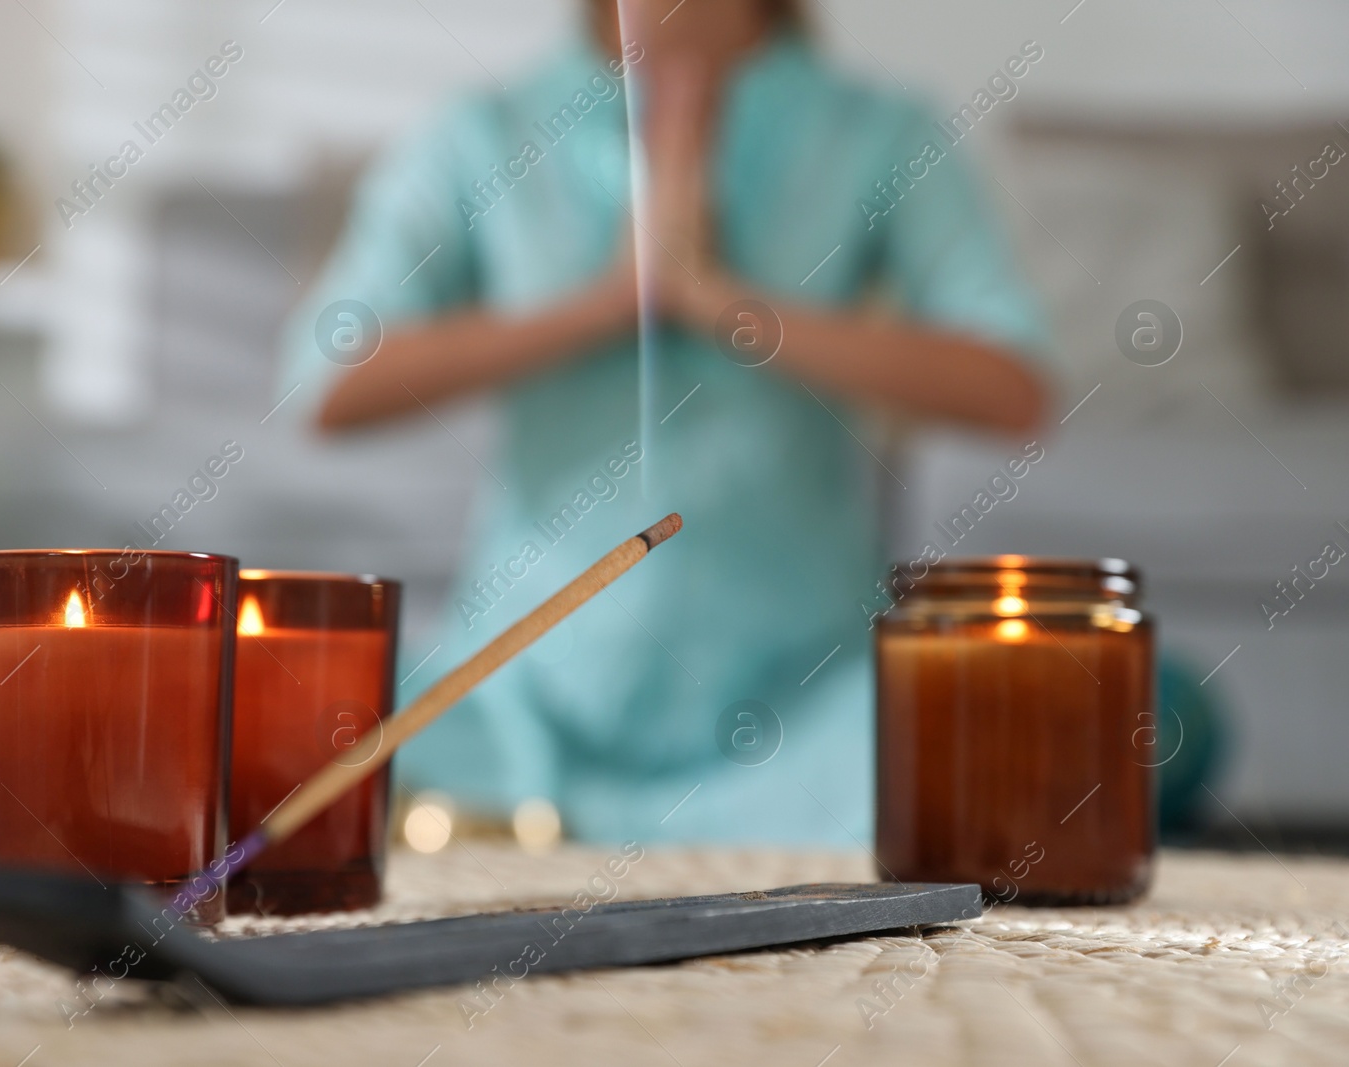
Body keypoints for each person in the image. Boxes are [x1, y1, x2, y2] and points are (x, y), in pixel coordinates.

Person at [282, 0, 1049, 844]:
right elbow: (327, 380)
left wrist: (726, 305)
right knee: (272, 717)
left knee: (1065, 721)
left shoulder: (881, 132)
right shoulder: (483, 133)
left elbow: (1011, 385)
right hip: (514, 701)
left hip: (811, 709)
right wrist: (614, 300)